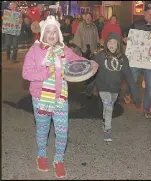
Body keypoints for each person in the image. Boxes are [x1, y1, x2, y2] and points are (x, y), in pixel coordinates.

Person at [22, 15, 98, 178]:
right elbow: (26, 73)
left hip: (60, 97)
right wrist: (44, 72)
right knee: (43, 130)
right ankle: (42, 155)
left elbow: (76, 60)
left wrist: (90, 63)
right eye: (48, 31)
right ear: (43, 33)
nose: (51, 34)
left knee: (62, 132)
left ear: (58, 34)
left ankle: (59, 160)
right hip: (40, 98)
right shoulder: (34, 50)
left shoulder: (64, 50)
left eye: (54, 31)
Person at [95, 32, 141, 141]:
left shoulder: (123, 59)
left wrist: (136, 96)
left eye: (114, 42)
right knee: (109, 105)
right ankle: (108, 130)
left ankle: (104, 121)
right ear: (106, 43)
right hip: (103, 86)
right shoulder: (100, 56)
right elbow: (91, 68)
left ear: (118, 44)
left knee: (108, 106)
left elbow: (130, 77)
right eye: (110, 42)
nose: (112, 44)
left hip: (115, 88)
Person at [124, 2, 151, 119]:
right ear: (144, 13)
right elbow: (127, 35)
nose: (149, 14)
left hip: (149, 61)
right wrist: (126, 39)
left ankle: (146, 109)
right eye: (147, 12)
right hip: (137, 59)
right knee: (132, 80)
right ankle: (128, 92)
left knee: (150, 85)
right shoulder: (136, 24)